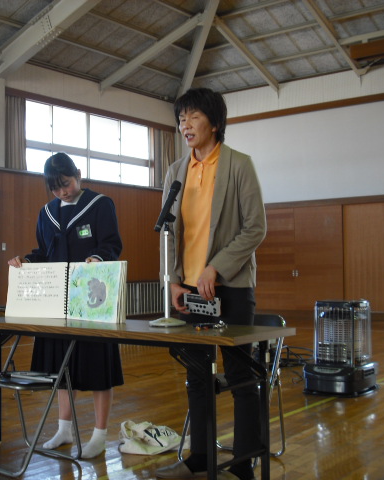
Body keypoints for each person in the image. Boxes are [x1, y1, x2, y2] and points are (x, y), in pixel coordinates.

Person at [155, 88, 267, 480]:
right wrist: (172, 281)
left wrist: (215, 268)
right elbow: (167, 233)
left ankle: (243, 463)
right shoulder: (175, 171)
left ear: (214, 123)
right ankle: (200, 457)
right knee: (197, 376)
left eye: (193, 117)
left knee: (240, 376)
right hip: (187, 290)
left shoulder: (239, 165)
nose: (185, 124)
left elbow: (256, 227)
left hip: (231, 287)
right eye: (181, 117)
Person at [8, 152, 124, 459]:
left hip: (91, 303)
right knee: (60, 370)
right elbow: (43, 252)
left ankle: (99, 433)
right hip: (55, 304)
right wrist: (26, 260)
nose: (63, 192)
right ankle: (64, 429)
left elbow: (112, 244)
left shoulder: (100, 205)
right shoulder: (46, 213)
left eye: (67, 183)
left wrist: (97, 258)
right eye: (56, 187)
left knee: (98, 367)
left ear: (79, 175)